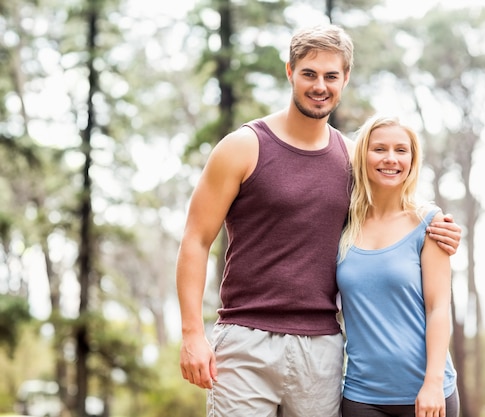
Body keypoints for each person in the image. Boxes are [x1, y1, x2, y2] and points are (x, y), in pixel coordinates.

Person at [175, 24, 462, 417]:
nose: (320, 85)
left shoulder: (350, 158)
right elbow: (195, 238)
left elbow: (391, 205)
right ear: (290, 72)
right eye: (309, 73)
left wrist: (438, 226)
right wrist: (192, 333)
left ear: (345, 79)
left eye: (331, 75)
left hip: (323, 349)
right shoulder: (243, 146)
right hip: (246, 340)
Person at [337, 114, 460, 417]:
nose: (390, 159)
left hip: (426, 395)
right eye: (379, 149)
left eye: (401, 150)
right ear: (362, 154)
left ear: (412, 159)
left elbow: (438, 308)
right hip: (361, 396)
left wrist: (432, 383)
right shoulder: (342, 224)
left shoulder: (429, 223)